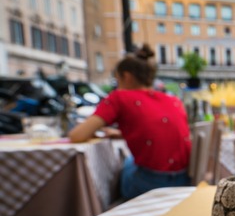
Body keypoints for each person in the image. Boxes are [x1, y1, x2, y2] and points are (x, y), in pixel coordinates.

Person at [69, 44, 191, 199]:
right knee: (130, 161)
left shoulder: (119, 97)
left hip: (150, 185)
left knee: (124, 164)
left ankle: (98, 209)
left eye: (117, 79)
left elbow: (77, 135)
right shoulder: (172, 99)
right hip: (184, 181)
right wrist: (122, 133)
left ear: (126, 76)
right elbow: (161, 131)